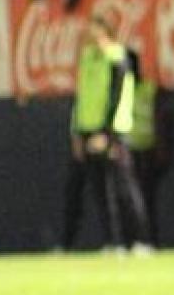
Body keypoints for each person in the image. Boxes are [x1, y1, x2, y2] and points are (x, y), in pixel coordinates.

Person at [60, 14, 150, 252]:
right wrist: (77, 132)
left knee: (124, 187)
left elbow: (118, 96)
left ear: (106, 32)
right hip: (88, 129)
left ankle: (141, 240)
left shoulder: (118, 58)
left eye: (95, 31)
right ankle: (114, 242)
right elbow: (82, 97)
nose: (90, 36)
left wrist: (108, 133)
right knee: (100, 190)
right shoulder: (88, 59)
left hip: (113, 131)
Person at [125, 45, 171, 248]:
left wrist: (161, 148)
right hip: (128, 149)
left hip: (147, 148)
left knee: (145, 198)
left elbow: (160, 119)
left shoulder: (149, 89)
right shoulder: (122, 90)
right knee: (131, 199)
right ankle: (135, 240)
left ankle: (148, 240)